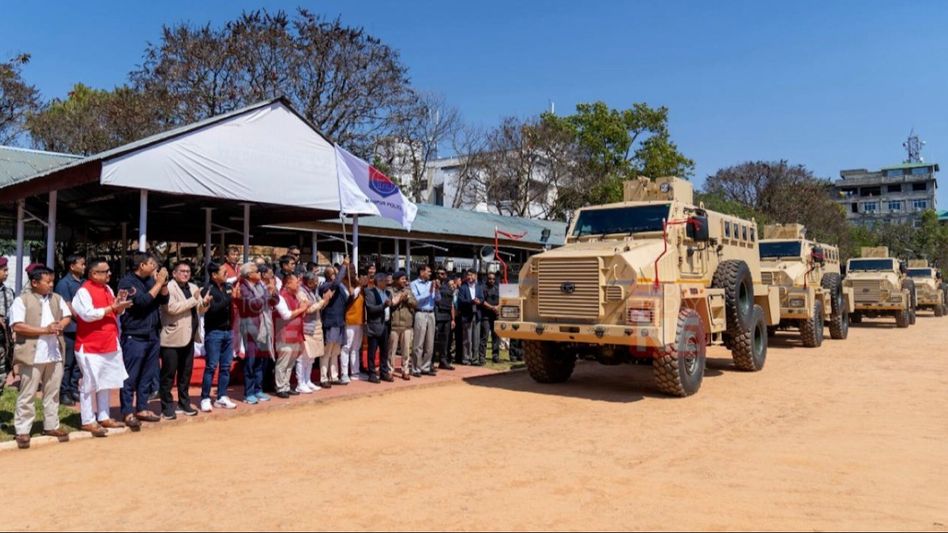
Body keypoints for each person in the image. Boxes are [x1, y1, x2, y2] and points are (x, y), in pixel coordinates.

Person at [10, 266, 72, 449]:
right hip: (32, 354)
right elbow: (18, 326)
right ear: (35, 283)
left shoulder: (56, 299)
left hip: (54, 353)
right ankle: (22, 430)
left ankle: (51, 426)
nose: (51, 285)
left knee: (52, 392)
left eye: (52, 281)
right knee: (27, 393)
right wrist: (45, 330)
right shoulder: (22, 300)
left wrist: (60, 324)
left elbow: (67, 316)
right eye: (48, 282)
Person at [72, 258, 134, 436]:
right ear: (93, 274)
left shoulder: (107, 288)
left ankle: (104, 416)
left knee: (106, 381)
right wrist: (112, 307)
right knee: (89, 383)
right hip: (89, 344)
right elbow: (87, 315)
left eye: (109, 271)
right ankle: (87, 420)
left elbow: (116, 311)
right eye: (105, 271)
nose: (109, 274)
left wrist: (119, 304)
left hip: (109, 341)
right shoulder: (83, 292)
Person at [117, 252, 169, 425]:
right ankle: (126, 411)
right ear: (142, 265)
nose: (155, 267)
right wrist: (159, 283)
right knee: (131, 376)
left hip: (153, 333)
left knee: (147, 375)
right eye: (151, 264)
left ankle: (142, 407)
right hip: (135, 335)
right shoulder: (127, 283)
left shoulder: (151, 280)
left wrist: (163, 284)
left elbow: (164, 299)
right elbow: (142, 302)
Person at [158, 261, 210, 419]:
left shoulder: (194, 287)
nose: (186, 274)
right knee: (168, 374)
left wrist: (205, 303)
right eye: (182, 271)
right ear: (174, 273)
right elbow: (171, 308)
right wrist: (194, 301)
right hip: (172, 337)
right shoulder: (169, 288)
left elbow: (199, 309)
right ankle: (167, 406)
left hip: (189, 337)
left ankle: (183, 402)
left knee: (185, 373)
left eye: (188, 271)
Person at [237, 262, 279, 404]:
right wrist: (267, 293)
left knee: (261, 360)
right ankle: (248, 392)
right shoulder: (243, 286)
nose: (259, 273)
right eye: (256, 271)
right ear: (249, 274)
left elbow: (274, 302)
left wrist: (274, 292)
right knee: (251, 361)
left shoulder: (260, 285)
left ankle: (258, 389)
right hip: (251, 327)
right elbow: (253, 304)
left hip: (264, 326)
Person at [200, 263, 237, 412]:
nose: (226, 274)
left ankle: (222, 396)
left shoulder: (228, 287)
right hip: (214, 332)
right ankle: (205, 398)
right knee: (211, 366)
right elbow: (213, 309)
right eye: (223, 272)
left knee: (226, 366)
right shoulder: (207, 290)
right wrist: (229, 298)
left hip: (228, 331)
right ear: (214, 275)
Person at [272, 272, 309, 398]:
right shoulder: (281, 296)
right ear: (288, 283)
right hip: (284, 334)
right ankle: (280, 387)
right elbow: (286, 315)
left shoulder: (294, 296)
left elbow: (300, 313)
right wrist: (302, 309)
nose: (298, 284)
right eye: (296, 282)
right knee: (283, 362)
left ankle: (286, 385)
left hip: (296, 333)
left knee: (290, 363)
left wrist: (303, 308)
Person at [54, 254, 85, 406]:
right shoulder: (64, 283)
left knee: (78, 363)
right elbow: (67, 304)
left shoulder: (84, 282)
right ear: (72, 266)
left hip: (83, 329)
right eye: (82, 264)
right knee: (67, 362)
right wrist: (82, 318)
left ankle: (74, 388)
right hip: (70, 328)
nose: (84, 267)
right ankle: (63, 392)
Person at [297, 272, 331, 393]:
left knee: (311, 357)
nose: (316, 283)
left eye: (316, 281)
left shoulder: (312, 291)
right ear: (308, 281)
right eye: (314, 281)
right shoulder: (301, 292)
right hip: (307, 327)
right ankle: (300, 383)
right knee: (303, 357)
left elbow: (318, 305)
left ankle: (307, 380)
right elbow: (309, 308)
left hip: (315, 326)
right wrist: (323, 301)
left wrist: (324, 301)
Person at [318, 259, 349, 388]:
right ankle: (324, 377)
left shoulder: (340, 287)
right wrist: (344, 266)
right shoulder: (325, 286)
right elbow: (335, 283)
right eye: (336, 273)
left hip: (340, 322)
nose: (339, 276)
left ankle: (334, 375)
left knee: (335, 352)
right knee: (327, 352)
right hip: (330, 322)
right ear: (331, 275)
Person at [410, 265, 439, 376]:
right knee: (419, 342)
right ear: (421, 272)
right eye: (428, 271)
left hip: (431, 313)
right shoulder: (414, 284)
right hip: (420, 312)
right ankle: (416, 368)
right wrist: (429, 291)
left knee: (430, 343)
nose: (430, 274)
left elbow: (438, 299)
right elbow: (416, 299)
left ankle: (425, 367)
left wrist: (437, 290)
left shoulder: (430, 283)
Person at [364, 272, 393, 383]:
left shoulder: (388, 293)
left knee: (384, 351)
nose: (387, 283)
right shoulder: (370, 292)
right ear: (379, 282)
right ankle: (372, 374)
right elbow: (371, 309)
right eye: (385, 281)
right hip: (374, 326)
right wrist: (383, 305)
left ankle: (384, 372)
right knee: (372, 351)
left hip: (385, 325)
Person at [387, 271, 417, 379]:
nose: (405, 281)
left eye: (405, 279)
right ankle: (390, 370)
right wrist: (399, 298)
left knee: (406, 350)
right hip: (394, 324)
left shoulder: (408, 290)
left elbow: (415, 304)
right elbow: (389, 304)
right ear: (396, 280)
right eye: (402, 279)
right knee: (392, 350)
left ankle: (405, 370)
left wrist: (407, 299)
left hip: (407, 324)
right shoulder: (389, 291)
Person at [340, 268, 367, 383]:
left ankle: (355, 372)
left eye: (355, 273)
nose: (354, 275)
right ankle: (344, 373)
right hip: (349, 320)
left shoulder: (358, 286)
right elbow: (349, 298)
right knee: (346, 347)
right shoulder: (343, 284)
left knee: (356, 348)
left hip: (359, 320)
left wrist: (360, 287)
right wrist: (359, 287)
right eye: (352, 272)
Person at [457, 270, 485, 365]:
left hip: (476, 314)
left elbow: (482, 298)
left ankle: (475, 359)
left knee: (476, 338)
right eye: (468, 275)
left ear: (475, 276)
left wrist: (479, 301)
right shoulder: (463, 287)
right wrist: (471, 301)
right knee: (467, 338)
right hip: (467, 314)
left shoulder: (479, 287)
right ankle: (466, 358)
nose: (470, 277)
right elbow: (460, 300)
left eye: (471, 275)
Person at [434, 267, 456, 371]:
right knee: (435, 339)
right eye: (438, 273)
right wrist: (436, 288)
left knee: (446, 339)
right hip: (437, 315)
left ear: (446, 275)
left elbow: (451, 304)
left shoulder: (449, 286)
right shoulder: (433, 285)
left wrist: (453, 319)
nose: (440, 275)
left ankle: (443, 360)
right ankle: (431, 361)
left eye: (442, 274)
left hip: (447, 315)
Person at [0, 257, 15, 393]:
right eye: (4, 270)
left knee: (2, 375)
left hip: (3, 342)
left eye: (7, 270)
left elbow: (12, 316)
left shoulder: (8, 292)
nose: (7, 273)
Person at [479, 272, 502, 363]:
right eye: (489, 279)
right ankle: (482, 357)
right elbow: (482, 301)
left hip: (495, 316)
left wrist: (497, 307)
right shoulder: (483, 288)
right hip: (486, 316)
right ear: (486, 279)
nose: (491, 280)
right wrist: (492, 307)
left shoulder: (497, 288)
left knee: (496, 337)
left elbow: (502, 300)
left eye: (493, 279)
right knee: (484, 337)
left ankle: (495, 356)